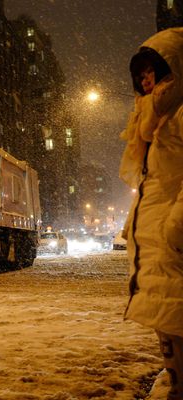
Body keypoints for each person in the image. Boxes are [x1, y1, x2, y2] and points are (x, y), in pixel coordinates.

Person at [119, 28, 183, 400]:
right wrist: (134, 225)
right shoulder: (151, 118)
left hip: (172, 234)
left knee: (175, 312)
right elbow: (150, 182)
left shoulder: (178, 112)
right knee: (165, 313)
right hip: (157, 235)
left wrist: (176, 225)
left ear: (171, 68)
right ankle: (175, 378)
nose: (145, 80)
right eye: (140, 75)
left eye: (152, 72)